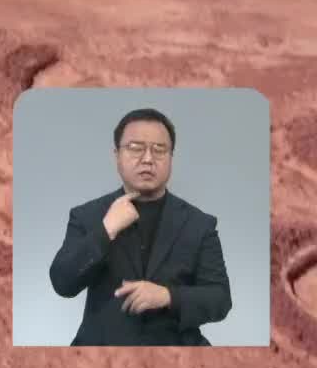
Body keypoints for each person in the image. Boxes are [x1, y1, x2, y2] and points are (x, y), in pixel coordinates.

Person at [47, 108, 231, 346]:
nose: (147, 159)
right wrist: (106, 230)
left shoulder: (199, 224)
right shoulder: (88, 216)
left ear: (171, 157)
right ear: (116, 155)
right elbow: (62, 282)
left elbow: (220, 299)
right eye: (135, 148)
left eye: (159, 149)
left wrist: (168, 296)